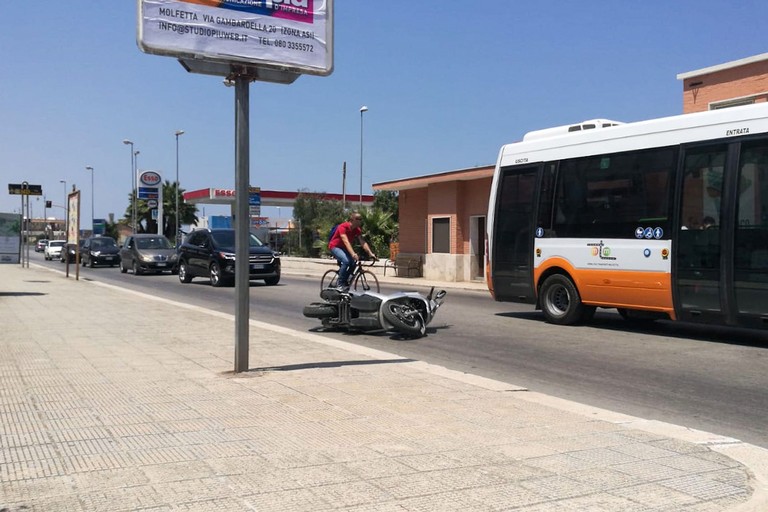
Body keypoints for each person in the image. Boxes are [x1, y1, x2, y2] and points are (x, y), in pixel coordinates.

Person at [328, 212, 376, 291]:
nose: (360, 221)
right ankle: (339, 284)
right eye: (359, 219)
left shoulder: (357, 230)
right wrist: (353, 254)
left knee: (353, 263)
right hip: (335, 247)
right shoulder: (343, 227)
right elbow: (346, 241)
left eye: (361, 219)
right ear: (353, 219)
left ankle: (345, 279)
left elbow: (362, 242)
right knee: (346, 261)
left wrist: (370, 253)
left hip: (344, 248)